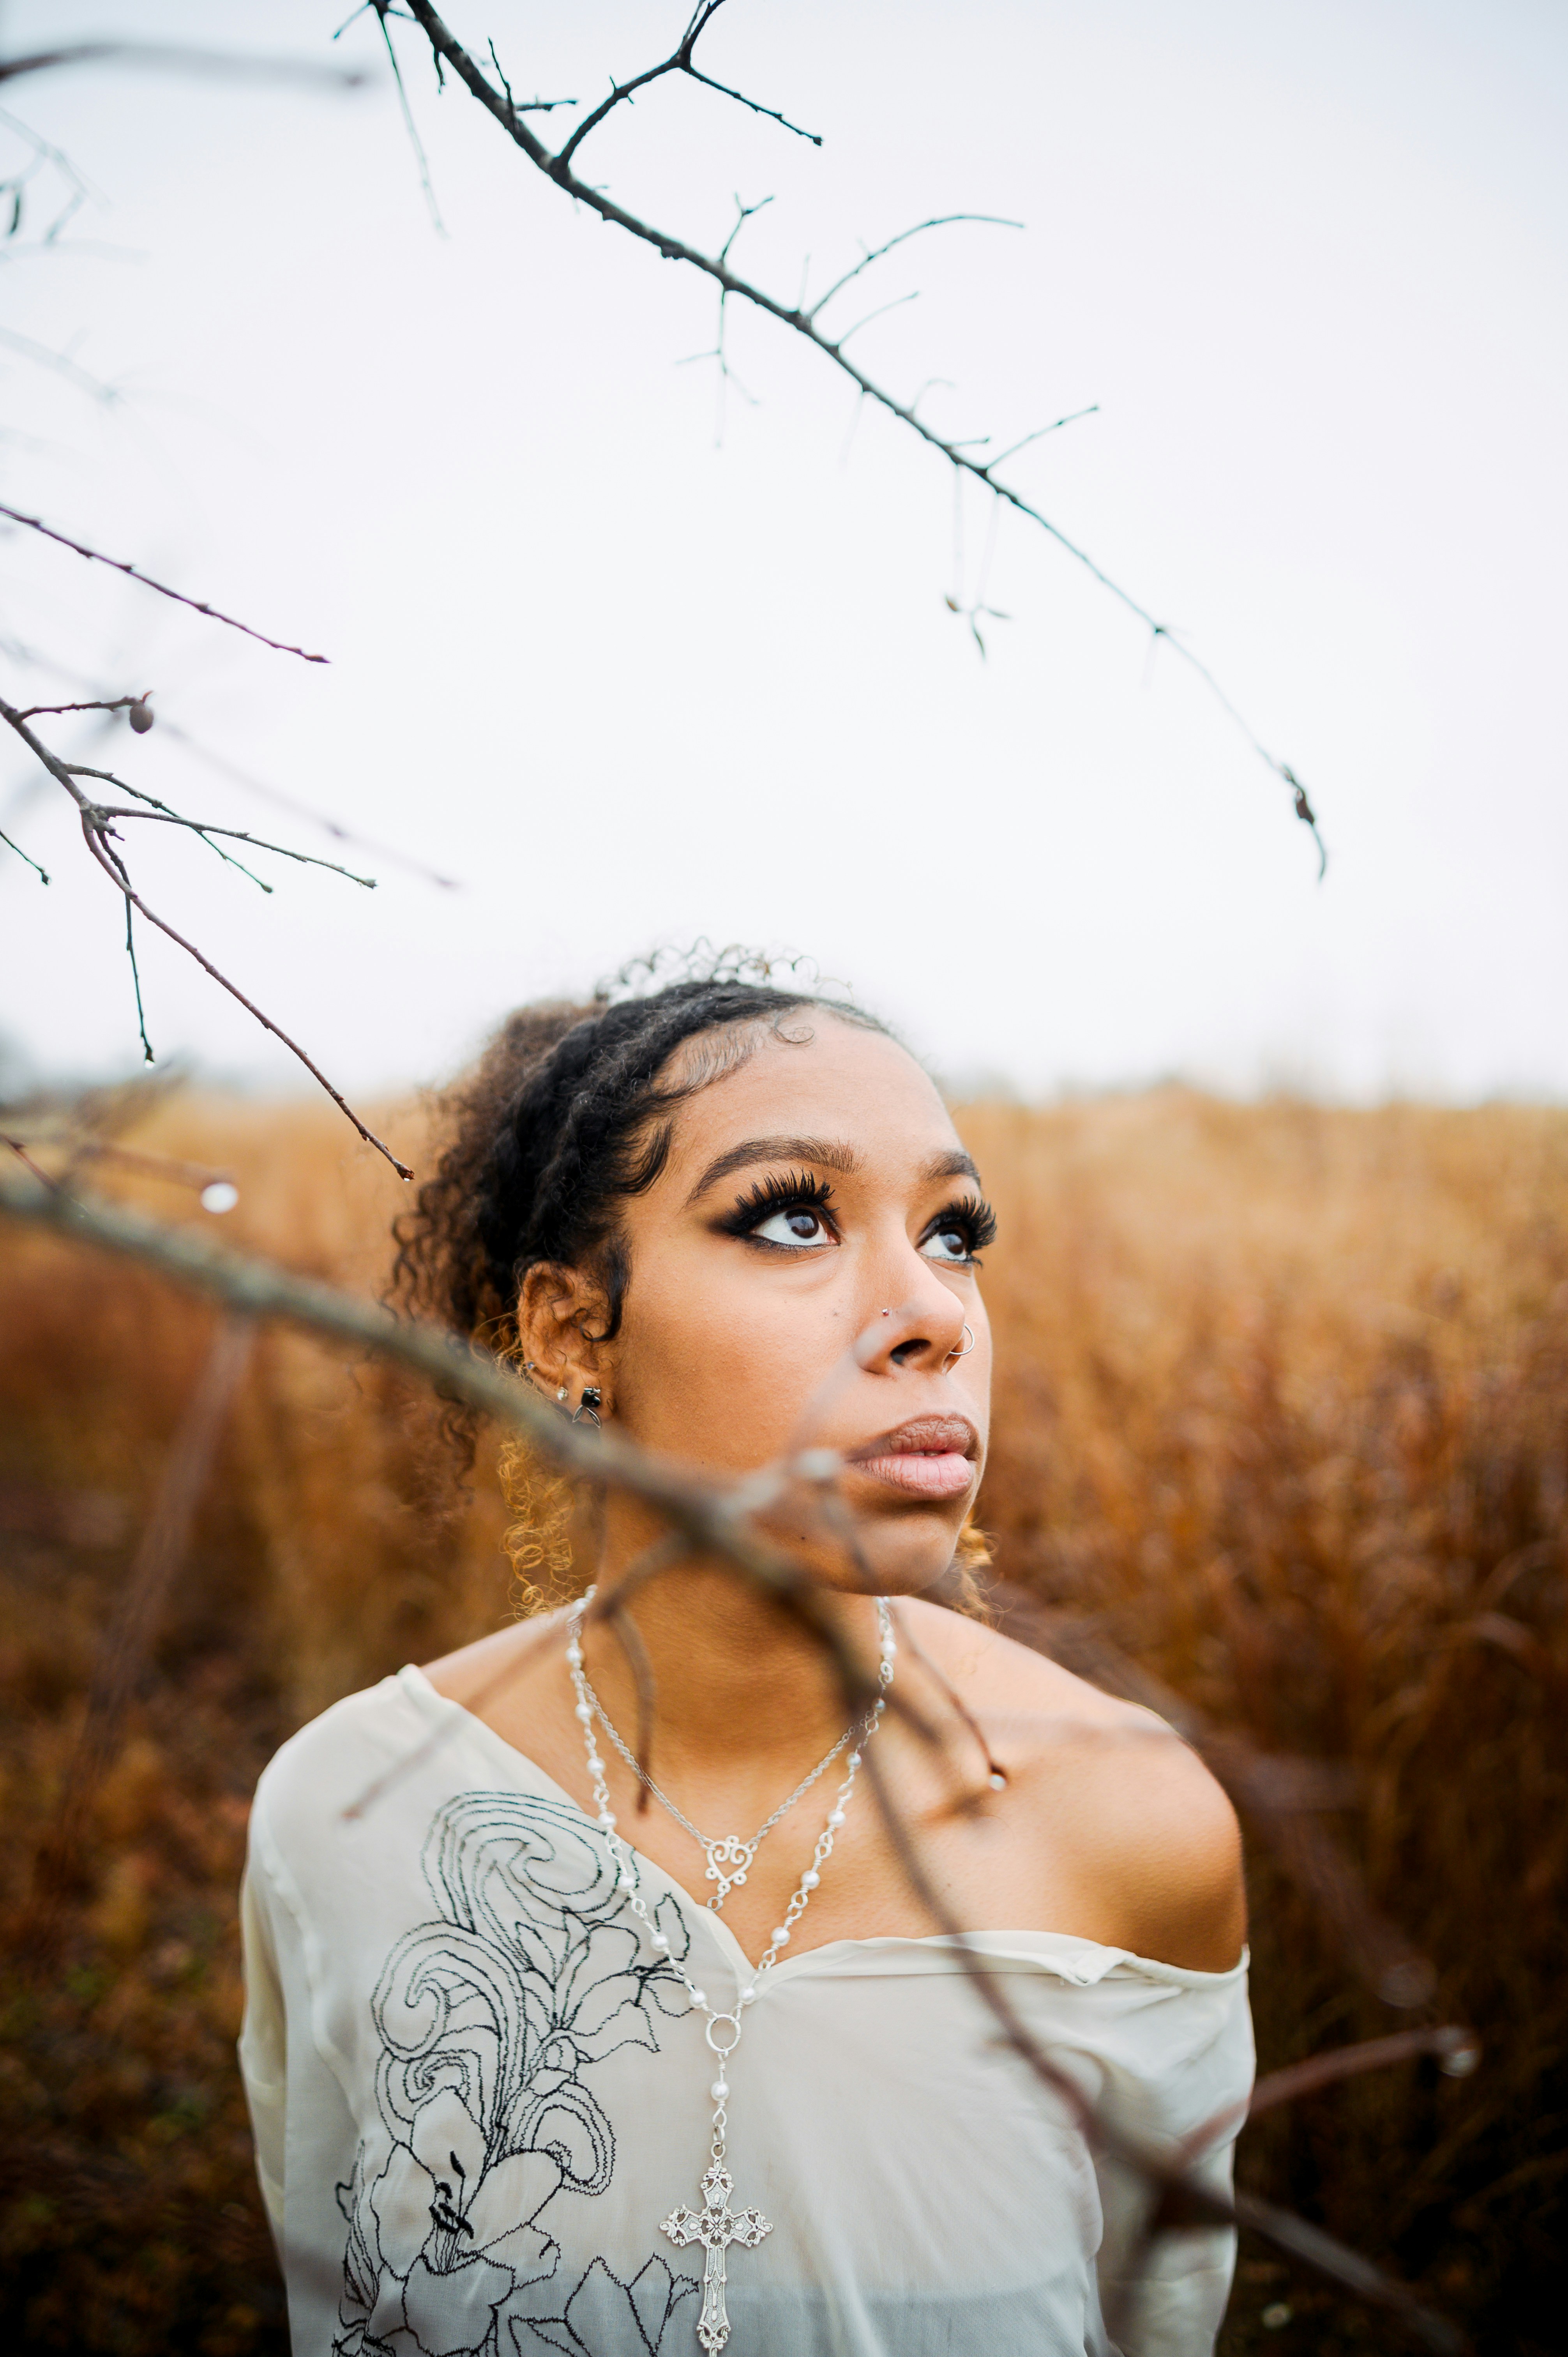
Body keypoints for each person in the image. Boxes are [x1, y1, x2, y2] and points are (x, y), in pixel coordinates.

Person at [239, 961, 1251, 2357]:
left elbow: (1160, 2328)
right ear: (568, 1328)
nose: (935, 1315)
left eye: (955, 1233)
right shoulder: (349, 1806)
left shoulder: (1133, 1823)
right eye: (792, 1218)